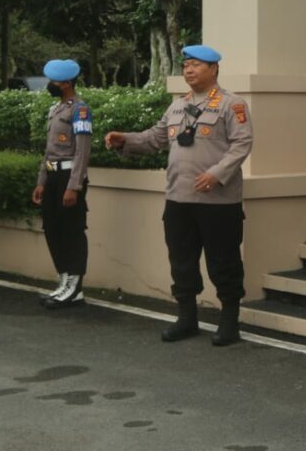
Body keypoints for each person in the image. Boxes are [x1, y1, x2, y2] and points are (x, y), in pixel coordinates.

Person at [105, 45, 252, 346]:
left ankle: (229, 322)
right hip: (178, 200)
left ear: (214, 69)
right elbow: (155, 138)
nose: (189, 70)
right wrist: (125, 141)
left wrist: (216, 173)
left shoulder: (232, 104)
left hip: (218, 202)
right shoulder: (177, 107)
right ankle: (187, 319)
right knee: (181, 262)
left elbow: (242, 143)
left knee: (223, 262)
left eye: (196, 65)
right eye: (186, 66)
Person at [32, 59, 93, 309]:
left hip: (69, 177)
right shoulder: (56, 109)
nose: (50, 85)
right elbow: (49, 151)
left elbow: (82, 151)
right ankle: (65, 280)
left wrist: (73, 186)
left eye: (54, 81)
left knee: (71, 232)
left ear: (67, 83)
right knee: (53, 229)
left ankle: (75, 287)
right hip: (53, 177)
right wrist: (41, 182)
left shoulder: (80, 110)